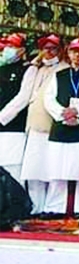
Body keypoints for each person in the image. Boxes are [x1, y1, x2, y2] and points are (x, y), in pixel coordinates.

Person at [42, 38, 79, 218]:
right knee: (56, 169)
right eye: (74, 51)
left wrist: (77, 112)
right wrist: (63, 113)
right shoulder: (59, 75)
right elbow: (49, 98)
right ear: (69, 53)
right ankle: (54, 207)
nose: (77, 55)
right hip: (61, 127)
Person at [19, 34, 64, 215]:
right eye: (45, 48)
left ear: (60, 50)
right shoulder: (36, 69)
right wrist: (34, 63)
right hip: (34, 125)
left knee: (50, 170)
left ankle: (51, 207)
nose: (48, 51)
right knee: (33, 170)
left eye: (52, 48)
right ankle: (35, 207)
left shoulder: (63, 69)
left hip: (51, 126)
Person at [0, 34, 34, 184]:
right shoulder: (2, 68)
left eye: (12, 46)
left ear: (21, 50)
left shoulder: (28, 69)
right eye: (6, 46)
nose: (7, 49)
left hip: (14, 127)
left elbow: (23, 97)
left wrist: (2, 117)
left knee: (12, 168)